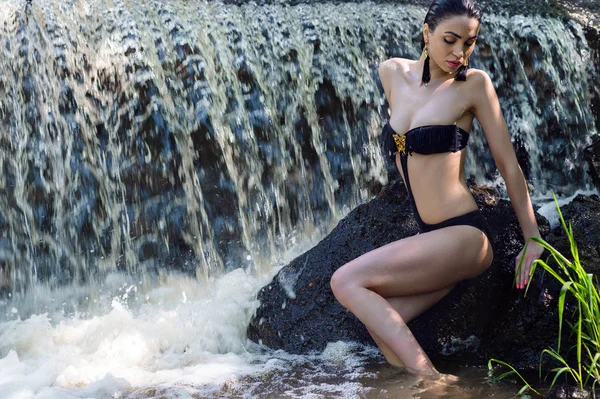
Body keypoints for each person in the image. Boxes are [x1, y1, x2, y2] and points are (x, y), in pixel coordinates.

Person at [329, 0, 545, 380]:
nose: (460, 53)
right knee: (380, 321)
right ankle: (418, 385)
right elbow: (401, 146)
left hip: (465, 235)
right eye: (450, 40)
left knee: (344, 281)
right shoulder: (392, 73)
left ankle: (433, 381)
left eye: (470, 43)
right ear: (427, 33)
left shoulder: (474, 85)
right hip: (428, 240)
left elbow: (509, 166)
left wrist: (533, 239)